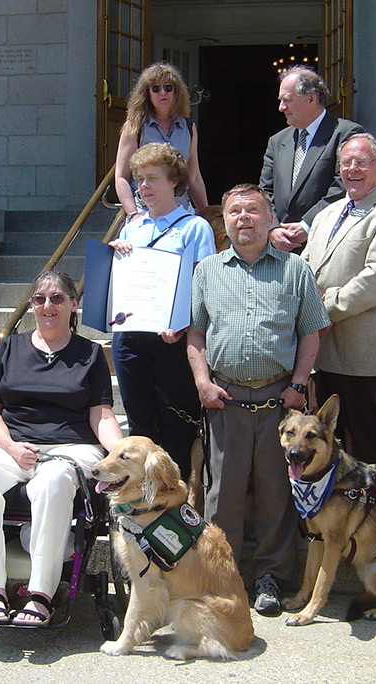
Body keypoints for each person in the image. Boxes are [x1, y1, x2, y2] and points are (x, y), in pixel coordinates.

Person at [187, 184, 330, 617]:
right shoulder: (207, 270)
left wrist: (300, 385)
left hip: (278, 405)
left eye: (254, 210)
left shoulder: (295, 271)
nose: (244, 218)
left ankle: (271, 576)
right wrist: (202, 382)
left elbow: (311, 331)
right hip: (225, 400)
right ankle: (221, 576)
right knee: (221, 496)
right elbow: (195, 332)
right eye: (235, 211)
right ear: (224, 222)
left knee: (275, 493)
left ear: (270, 220)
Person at [0, 271, 124, 627]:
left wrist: (122, 453)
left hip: (71, 446)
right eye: (39, 299)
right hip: (11, 443)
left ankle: (41, 594)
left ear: (73, 304)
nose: (47, 305)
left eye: (57, 298)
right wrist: (11, 447)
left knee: (53, 482)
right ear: (32, 305)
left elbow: (101, 414)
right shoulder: (10, 348)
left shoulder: (90, 354)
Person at [300, 133, 376, 481]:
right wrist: (303, 312)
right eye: (346, 162)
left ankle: (373, 515)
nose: (353, 169)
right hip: (321, 350)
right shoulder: (328, 213)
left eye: (361, 162)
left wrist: (323, 311)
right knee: (323, 446)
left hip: (364, 353)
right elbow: (306, 267)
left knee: (365, 445)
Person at [108, 142, 215, 480]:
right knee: (139, 426)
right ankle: (141, 499)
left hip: (173, 341)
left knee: (176, 428)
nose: (143, 187)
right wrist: (115, 257)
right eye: (139, 179)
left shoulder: (194, 228)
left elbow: (205, 285)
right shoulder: (131, 229)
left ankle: (175, 506)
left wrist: (183, 324)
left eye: (152, 178)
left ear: (174, 181)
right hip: (130, 340)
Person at [261, 65, 364, 252]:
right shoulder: (277, 141)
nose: (281, 107)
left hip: (324, 243)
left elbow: (344, 185)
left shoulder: (345, 134)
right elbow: (265, 191)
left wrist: (308, 225)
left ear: (311, 98)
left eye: (287, 100)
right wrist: (273, 228)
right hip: (279, 247)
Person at [115, 63, 208, 217]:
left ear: (176, 92)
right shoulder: (135, 127)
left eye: (168, 87)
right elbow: (121, 177)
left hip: (182, 212)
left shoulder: (188, 127)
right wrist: (133, 214)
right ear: (147, 93)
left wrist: (206, 213)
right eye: (156, 88)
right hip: (145, 212)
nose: (163, 92)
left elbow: (194, 177)